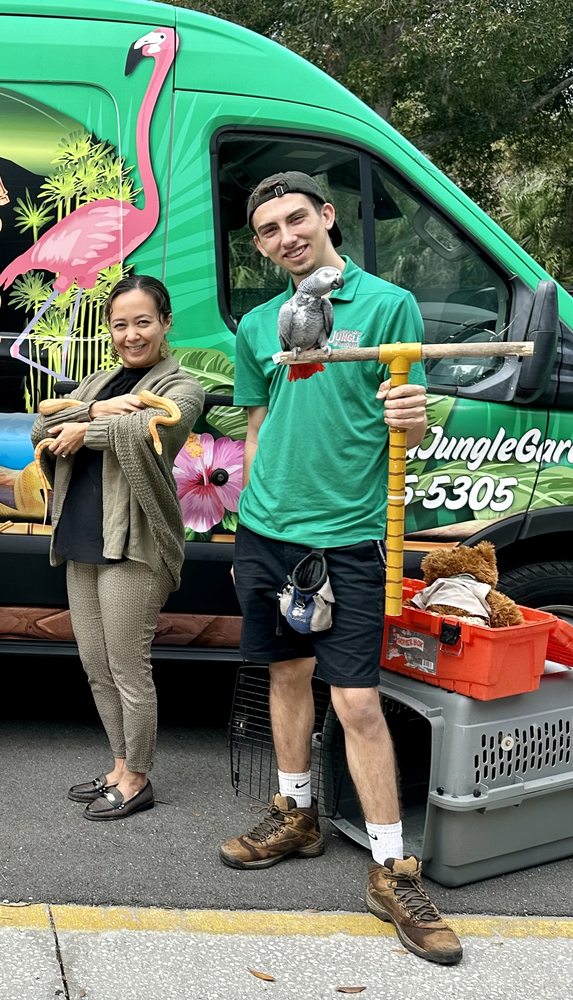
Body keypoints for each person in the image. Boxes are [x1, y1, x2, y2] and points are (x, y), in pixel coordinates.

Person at [219, 171, 463, 966]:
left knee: (355, 700)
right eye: (268, 229)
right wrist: (252, 507)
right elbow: (258, 423)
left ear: (326, 216)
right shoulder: (259, 324)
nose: (285, 236)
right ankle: (296, 815)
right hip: (266, 534)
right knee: (285, 676)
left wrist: (413, 418)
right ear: (259, 244)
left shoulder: (388, 306)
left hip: (347, 539)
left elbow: (408, 426)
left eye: (296, 219)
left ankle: (392, 870)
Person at [31, 274, 204, 821]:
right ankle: (118, 764)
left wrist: (84, 429)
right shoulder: (99, 383)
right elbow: (42, 426)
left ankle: (138, 777)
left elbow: (154, 431)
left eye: (143, 322)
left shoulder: (184, 386)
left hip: (134, 541)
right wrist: (96, 411)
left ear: (166, 323)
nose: (132, 335)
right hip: (80, 533)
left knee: (129, 666)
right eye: (120, 324)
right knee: (96, 664)